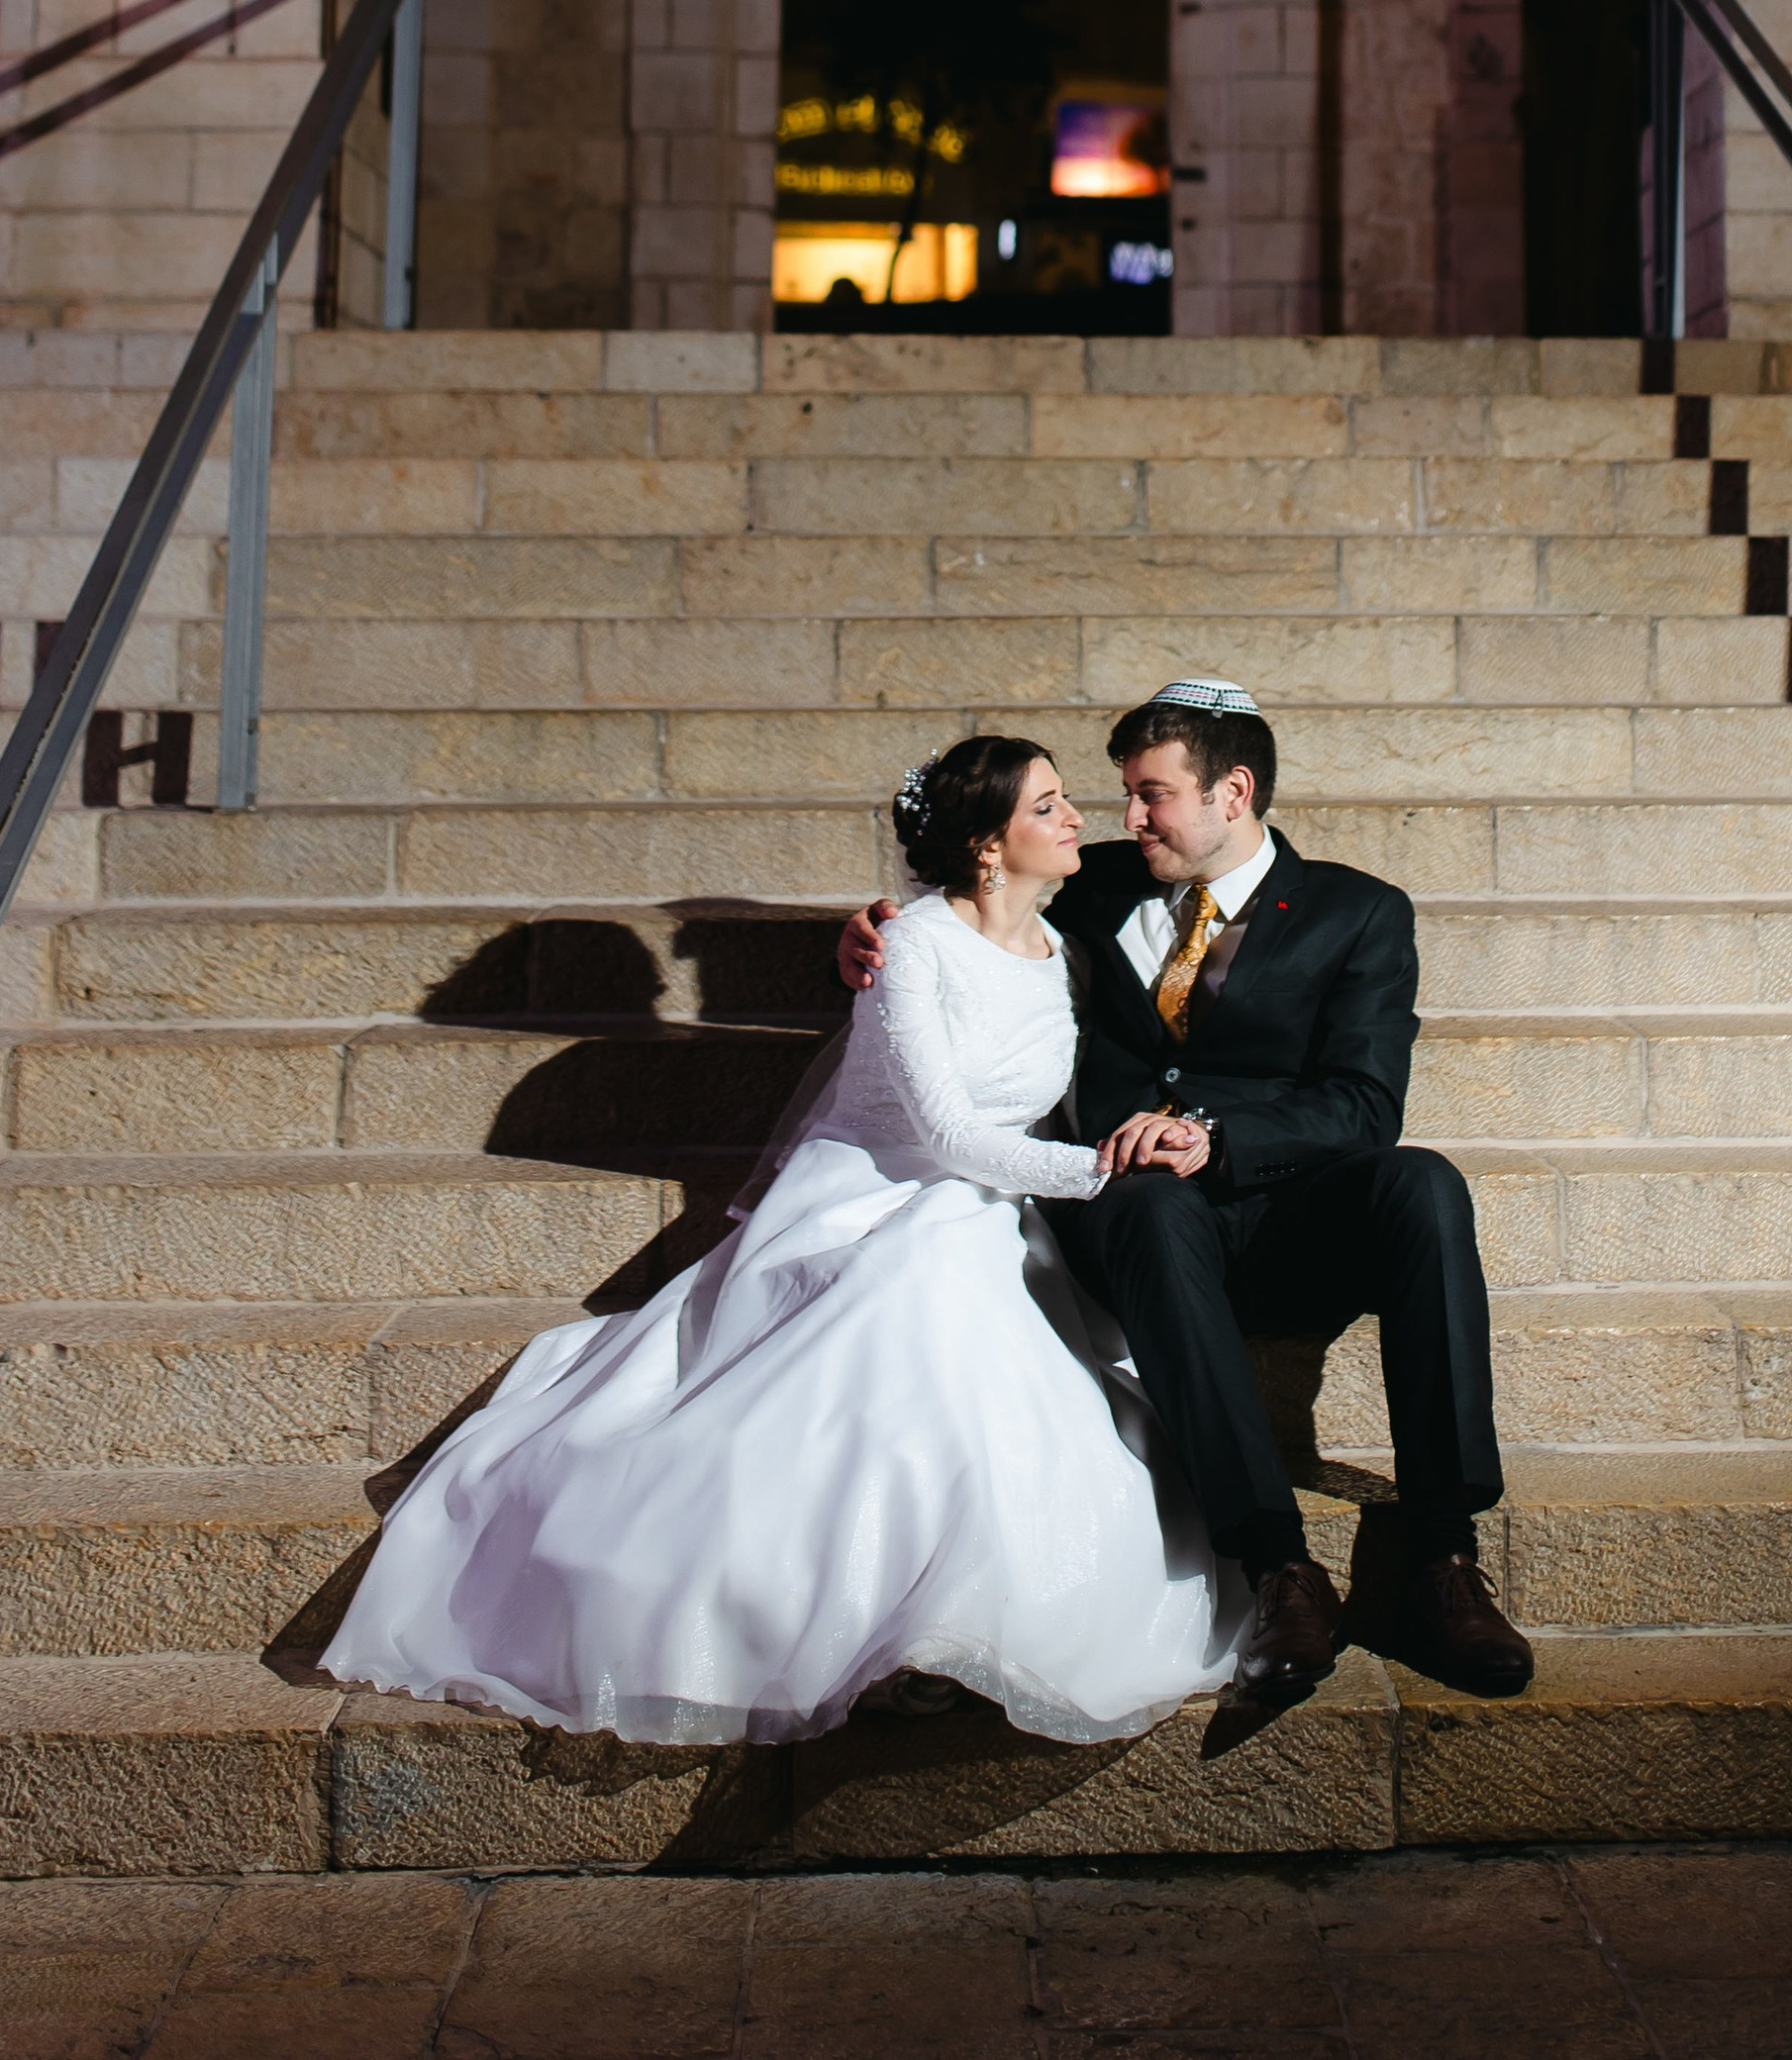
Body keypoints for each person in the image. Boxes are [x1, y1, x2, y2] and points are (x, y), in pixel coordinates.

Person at [321, 736, 1243, 1745]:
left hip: (990, 1197)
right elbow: (941, 1133)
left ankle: (959, 1617)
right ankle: (896, 1622)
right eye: (1050, 806)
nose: (1081, 819)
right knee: (924, 1278)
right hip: (875, 1191)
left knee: (977, 1286)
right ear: (986, 845)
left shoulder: (1063, 948)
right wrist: (1105, 1167)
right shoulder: (914, 949)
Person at [840, 679, 1533, 1704]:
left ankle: (1442, 1559)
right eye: (1122, 795)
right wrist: (865, 930)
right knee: (1152, 1205)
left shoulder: (1359, 913)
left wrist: (1214, 1136)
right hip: (1133, 1225)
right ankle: (1278, 1569)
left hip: (1281, 1213)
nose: (1127, 818)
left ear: (1232, 791)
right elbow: (958, 904)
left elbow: (1361, 1105)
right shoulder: (1095, 879)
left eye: (1151, 794)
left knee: (1423, 1184)